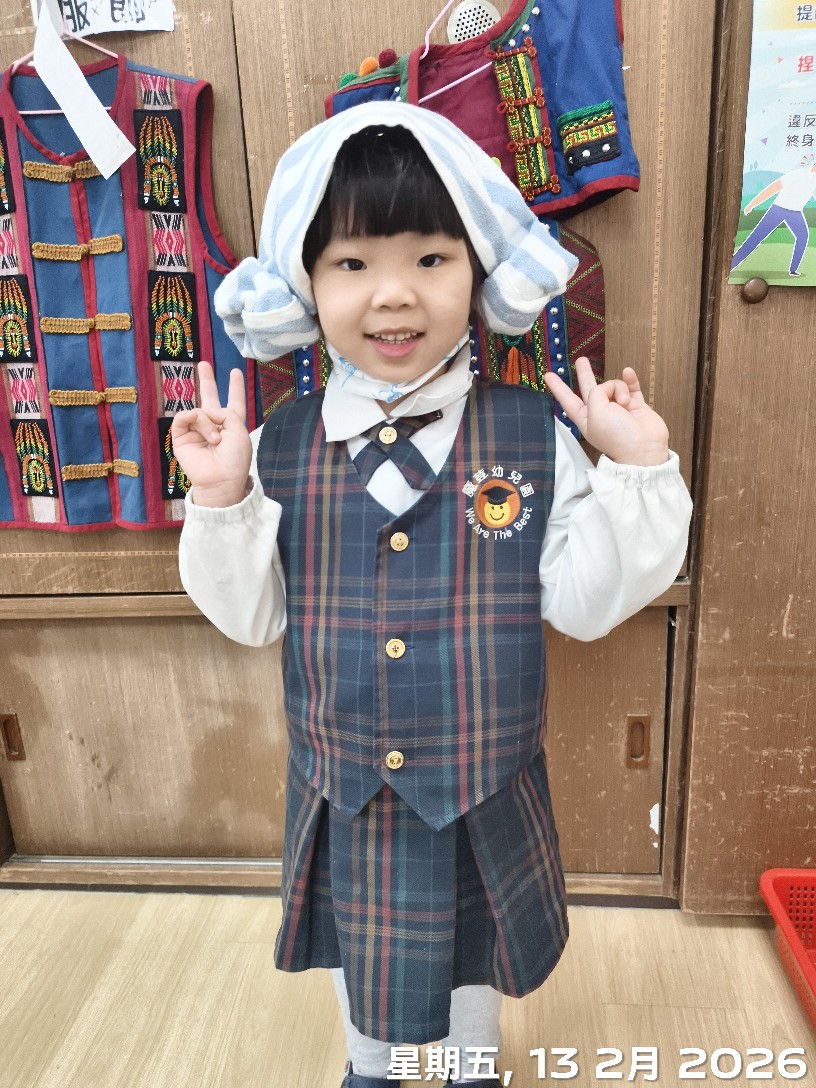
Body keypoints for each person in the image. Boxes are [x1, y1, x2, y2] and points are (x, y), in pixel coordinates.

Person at [173, 102, 692, 1088]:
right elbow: (252, 616)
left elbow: (584, 603)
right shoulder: (277, 444)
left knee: (472, 952)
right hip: (342, 777)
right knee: (359, 944)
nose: (393, 294)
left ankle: (472, 1069)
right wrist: (222, 496)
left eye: (430, 258)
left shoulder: (532, 434)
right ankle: (369, 1067)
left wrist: (636, 469)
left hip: (483, 777)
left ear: (480, 270)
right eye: (352, 263)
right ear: (306, 283)